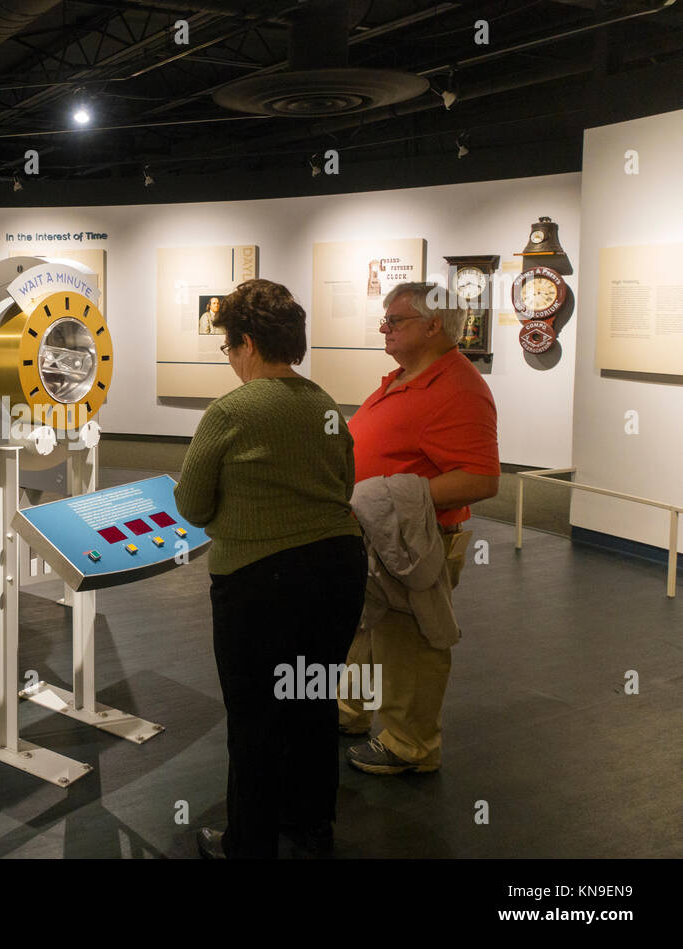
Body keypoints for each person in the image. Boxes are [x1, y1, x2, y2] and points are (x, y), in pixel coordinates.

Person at [174, 278, 366, 859]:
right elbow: (342, 482)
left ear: (249, 344)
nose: (230, 360)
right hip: (338, 569)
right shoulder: (324, 404)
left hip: (260, 582)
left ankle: (248, 844)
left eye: (229, 348)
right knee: (312, 700)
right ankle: (310, 824)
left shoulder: (231, 410)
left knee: (253, 717)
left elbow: (192, 504)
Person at [340, 281, 499, 775]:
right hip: (379, 538)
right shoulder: (406, 376)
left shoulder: (459, 389)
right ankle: (350, 711)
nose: (384, 328)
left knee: (411, 644)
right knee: (367, 633)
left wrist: (388, 498)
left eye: (396, 320)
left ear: (434, 325)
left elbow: (482, 478)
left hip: (413, 544)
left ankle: (412, 745)